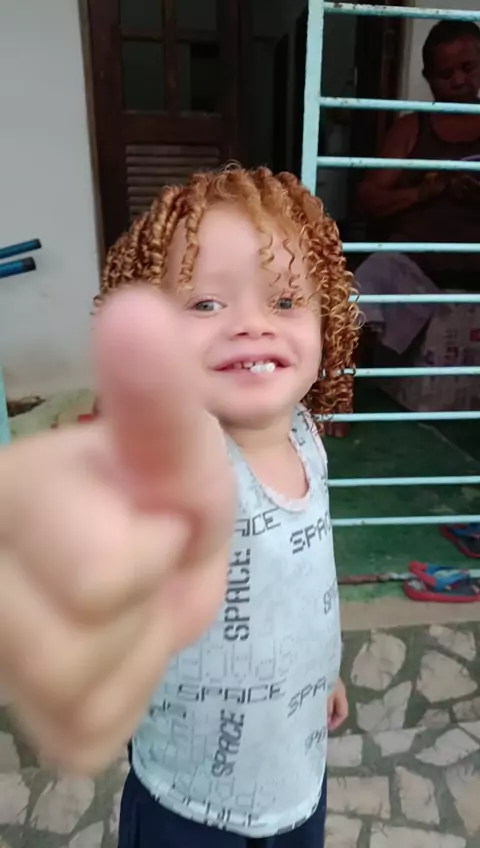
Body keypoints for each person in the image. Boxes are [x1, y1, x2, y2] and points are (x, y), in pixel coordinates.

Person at [0, 167, 358, 847]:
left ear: (327, 319)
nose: (251, 325)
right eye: (205, 303)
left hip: (295, 773)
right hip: (191, 798)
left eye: (286, 300)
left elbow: (304, 583)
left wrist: (323, 672)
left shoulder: (307, 438)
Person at [358, 19, 480, 290]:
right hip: (414, 268)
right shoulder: (411, 128)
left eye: (468, 68)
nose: (459, 80)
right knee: (365, 286)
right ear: (428, 77)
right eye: (445, 74)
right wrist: (424, 192)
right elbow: (369, 197)